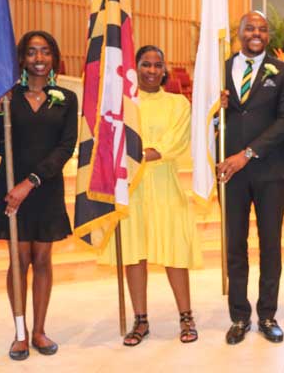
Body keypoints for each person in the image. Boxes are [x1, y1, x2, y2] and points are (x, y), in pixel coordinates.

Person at [99, 45, 203, 346]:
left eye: (158, 65)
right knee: (134, 252)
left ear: (164, 69)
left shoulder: (178, 103)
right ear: (135, 68)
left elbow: (175, 141)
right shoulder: (122, 104)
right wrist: (128, 158)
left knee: (175, 251)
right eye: (146, 64)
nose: (152, 70)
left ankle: (186, 316)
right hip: (130, 188)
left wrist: (138, 155)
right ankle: (141, 319)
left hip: (164, 184)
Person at [0, 31, 77, 360]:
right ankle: (20, 332)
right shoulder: (7, 97)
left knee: (42, 261)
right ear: (21, 59)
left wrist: (32, 181)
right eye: (31, 52)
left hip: (45, 187)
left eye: (45, 52)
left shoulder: (67, 98)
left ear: (54, 57)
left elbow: (66, 147)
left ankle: (39, 331)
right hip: (13, 189)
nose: (38, 58)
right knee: (18, 260)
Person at [217, 11, 284, 345]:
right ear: (239, 33)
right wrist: (213, 108)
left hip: (268, 170)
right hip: (230, 175)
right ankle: (239, 316)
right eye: (250, 28)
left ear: (269, 36)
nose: (257, 33)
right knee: (234, 246)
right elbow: (205, 121)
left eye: (263, 29)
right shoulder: (218, 70)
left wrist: (246, 154)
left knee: (270, 245)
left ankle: (267, 314)